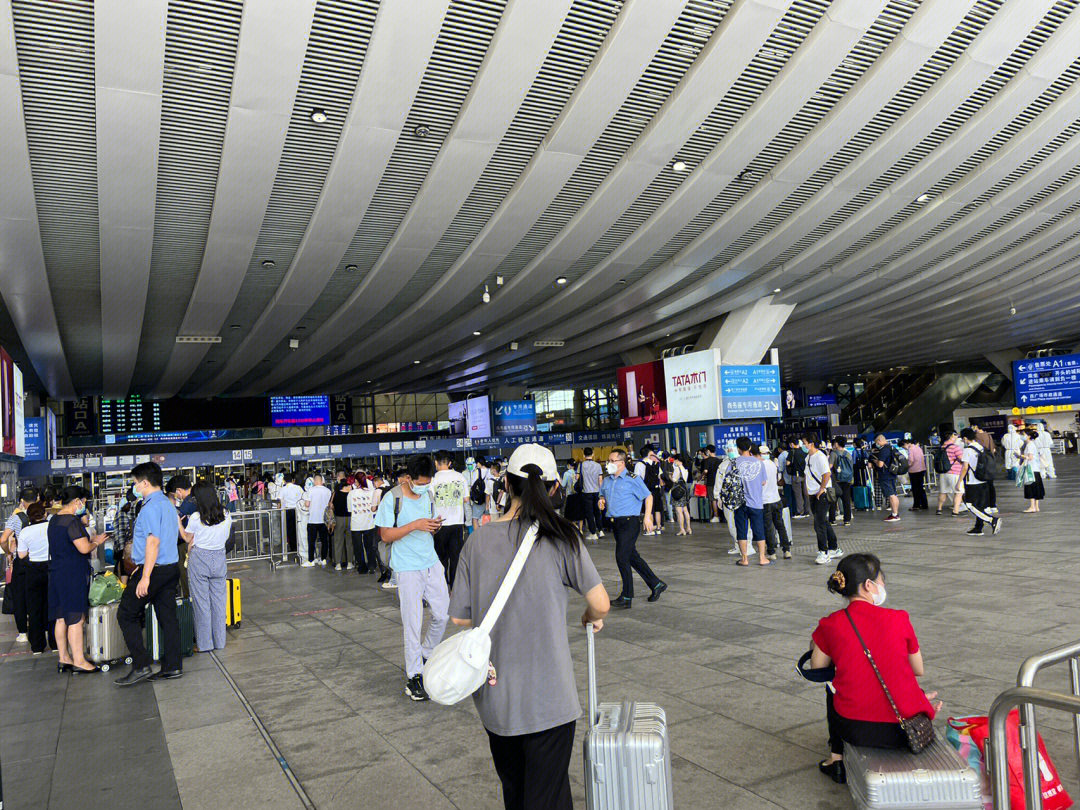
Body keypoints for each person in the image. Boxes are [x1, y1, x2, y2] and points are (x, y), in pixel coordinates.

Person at [449, 443, 609, 810]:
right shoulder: (563, 536)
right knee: (548, 795)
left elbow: (460, 618)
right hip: (551, 699)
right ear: (553, 487)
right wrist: (590, 617)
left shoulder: (477, 542)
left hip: (497, 699)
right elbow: (600, 602)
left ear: (505, 484)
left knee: (517, 793)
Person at [809, 553, 940, 784]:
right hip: (904, 731)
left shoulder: (831, 624)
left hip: (854, 729)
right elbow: (917, 669)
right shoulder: (899, 618)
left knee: (832, 687)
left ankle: (836, 759)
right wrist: (914, 699)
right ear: (868, 585)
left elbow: (818, 667)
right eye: (881, 580)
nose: (883, 585)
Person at [375, 455, 448, 701]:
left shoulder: (428, 495)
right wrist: (415, 525)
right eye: (421, 482)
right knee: (413, 622)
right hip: (406, 568)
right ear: (408, 478)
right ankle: (414, 676)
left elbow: (427, 523)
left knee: (442, 613)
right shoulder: (392, 498)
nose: (425, 486)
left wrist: (432, 525)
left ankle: (426, 653)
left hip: (431, 562)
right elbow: (385, 535)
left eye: (428, 482)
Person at [115, 462, 183, 686]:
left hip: (153, 570)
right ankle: (173, 666)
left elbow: (153, 542)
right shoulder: (167, 503)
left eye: (135, 483)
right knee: (167, 617)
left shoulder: (151, 507)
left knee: (126, 613)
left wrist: (144, 576)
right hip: (171, 567)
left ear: (144, 482)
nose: (135, 487)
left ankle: (141, 665)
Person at [49, 486, 108, 674]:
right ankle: (80, 660)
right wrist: (97, 541)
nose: (84, 505)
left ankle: (63, 658)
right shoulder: (71, 521)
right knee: (76, 617)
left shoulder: (54, 519)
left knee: (61, 618)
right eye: (83, 501)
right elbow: (83, 548)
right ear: (76, 502)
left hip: (56, 572)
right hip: (72, 573)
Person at [598, 449, 665, 609]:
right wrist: (601, 501)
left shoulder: (632, 479)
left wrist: (647, 517)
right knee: (632, 557)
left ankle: (627, 596)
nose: (609, 464)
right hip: (615, 523)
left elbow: (648, 496)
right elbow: (602, 495)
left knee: (622, 557)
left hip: (630, 523)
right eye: (609, 461)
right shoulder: (607, 480)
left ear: (621, 463)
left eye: (612, 461)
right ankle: (656, 584)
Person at [177, 483, 232, 653]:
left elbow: (187, 538)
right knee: (218, 602)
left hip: (200, 559)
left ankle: (205, 644)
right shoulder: (226, 514)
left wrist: (178, 523)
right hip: (219, 558)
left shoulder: (195, 517)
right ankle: (220, 641)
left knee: (202, 604)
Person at [17, 502, 56, 655]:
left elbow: (21, 555)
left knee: (34, 609)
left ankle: (37, 646)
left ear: (29, 517)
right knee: (52, 606)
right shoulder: (51, 527)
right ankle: (55, 643)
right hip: (51, 568)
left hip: (33, 571)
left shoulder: (25, 532)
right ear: (44, 514)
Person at [2, 486, 38, 642]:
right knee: (38, 595)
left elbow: (3, 539)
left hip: (22, 562)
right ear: (37, 499)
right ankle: (41, 628)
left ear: (22, 501)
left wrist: (9, 553)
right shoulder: (43, 516)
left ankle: (23, 632)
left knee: (20, 597)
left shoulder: (16, 518)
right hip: (40, 560)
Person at [431, 450, 469, 590]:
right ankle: (454, 587)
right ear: (450, 462)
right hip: (457, 523)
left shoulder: (433, 480)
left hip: (440, 524)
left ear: (436, 462)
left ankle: (441, 587)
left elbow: (430, 500)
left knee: (441, 558)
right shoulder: (460, 477)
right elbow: (466, 499)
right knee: (455, 558)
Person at [732, 436, 769, 567]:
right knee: (759, 529)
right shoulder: (759, 463)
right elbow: (764, 482)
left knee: (741, 530)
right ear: (749, 447)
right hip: (756, 502)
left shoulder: (733, 463)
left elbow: (728, 481)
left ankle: (744, 559)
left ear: (738, 449)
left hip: (739, 502)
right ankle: (762, 558)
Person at [804, 433, 840, 565]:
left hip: (822, 494)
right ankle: (834, 548)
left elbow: (827, 474)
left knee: (818, 524)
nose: (804, 445)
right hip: (813, 494)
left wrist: (822, 489)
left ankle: (823, 552)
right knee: (823, 521)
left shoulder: (820, 456)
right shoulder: (808, 457)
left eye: (805, 442)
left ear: (811, 443)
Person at [958, 427, 1001, 537]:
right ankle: (978, 528)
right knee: (980, 505)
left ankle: (992, 520)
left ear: (965, 438)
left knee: (970, 504)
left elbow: (965, 467)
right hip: (983, 479)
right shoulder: (980, 446)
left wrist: (959, 482)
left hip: (972, 481)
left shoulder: (967, 450)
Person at [758, 445, 790, 560]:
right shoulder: (772, 464)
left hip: (765, 500)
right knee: (780, 525)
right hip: (776, 499)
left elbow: (761, 483)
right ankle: (786, 550)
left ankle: (771, 552)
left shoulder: (759, 465)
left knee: (769, 527)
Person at [166, 476, 195, 597]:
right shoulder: (196, 498)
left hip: (186, 542)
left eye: (174, 495)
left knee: (184, 571)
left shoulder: (187, 504)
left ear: (179, 490)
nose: (176, 498)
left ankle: (189, 598)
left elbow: (180, 526)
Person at [347, 474, 381, 574]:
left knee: (358, 546)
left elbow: (349, 509)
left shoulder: (351, 493)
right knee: (369, 546)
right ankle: (372, 565)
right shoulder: (371, 492)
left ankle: (361, 567)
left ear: (356, 481)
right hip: (369, 523)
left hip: (356, 524)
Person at [301, 474, 333, 568]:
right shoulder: (328, 491)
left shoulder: (310, 491)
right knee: (324, 540)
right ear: (322, 481)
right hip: (324, 519)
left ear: (315, 481)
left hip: (313, 519)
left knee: (311, 541)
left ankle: (311, 560)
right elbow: (329, 504)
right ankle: (323, 559)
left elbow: (307, 504)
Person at [870, 436, 901, 522]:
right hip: (892, 473)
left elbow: (880, 464)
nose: (877, 445)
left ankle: (895, 515)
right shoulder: (891, 447)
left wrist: (875, 461)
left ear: (880, 441)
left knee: (891, 495)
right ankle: (895, 513)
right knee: (894, 494)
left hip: (885, 475)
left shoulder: (884, 450)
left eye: (877, 442)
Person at [936, 430, 965, 516]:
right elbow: (962, 459)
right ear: (952, 435)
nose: (957, 437)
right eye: (956, 435)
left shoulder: (942, 446)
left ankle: (939, 509)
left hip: (943, 472)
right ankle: (955, 511)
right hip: (954, 472)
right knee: (959, 492)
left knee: (943, 491)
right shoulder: (955, 447)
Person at [639, 447, 665, 536]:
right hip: (656, 489)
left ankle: (650, 529)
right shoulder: (656, 464)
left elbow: (638, 478)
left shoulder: (640, 464)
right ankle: (658, 527)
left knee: (649, 509)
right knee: (657, 509)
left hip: (647, 489)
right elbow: (660, 477)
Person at [578, 448, 604, 541]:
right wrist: (601, 493)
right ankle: (600, 531)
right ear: (593, 454)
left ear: (584, 455)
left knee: (589, 514)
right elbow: (600, 480)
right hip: (597, 492)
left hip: (586, 492)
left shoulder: (581, 465)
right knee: (597, 512)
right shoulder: (598, 465)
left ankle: (593, 533)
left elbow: (577, 477)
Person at [278, 473, 305, 559]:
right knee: (298, 528)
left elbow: (280, 500)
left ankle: (292, 546)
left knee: (289, 529)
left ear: (284, 481)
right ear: (293, 480)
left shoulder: (283, 489)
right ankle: (299, 545)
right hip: (297, 510)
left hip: (287, 510)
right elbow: (303, 497)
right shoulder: (298, 488)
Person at [972, 426, 998, 514]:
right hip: (990, 461)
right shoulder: (988, 436)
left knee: (983, 485)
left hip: (981, 462)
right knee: (991, 485)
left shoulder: (975, 436)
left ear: (975, 426)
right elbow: (993, 449)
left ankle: (986, 505)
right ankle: (993, 505)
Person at [829, 438, 854, 526]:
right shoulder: (848, 454)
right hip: (847, 480)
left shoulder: (833, 453)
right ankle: (847, 520)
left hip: (836, 480)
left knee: (833, 499)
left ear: (836, 444)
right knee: (846, 500)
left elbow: (829, 467)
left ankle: (832, 520)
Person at [1020, 428, 1045, 513]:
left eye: (1024, 435)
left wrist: (1020, 456)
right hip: (1036, 469)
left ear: (1028, 436)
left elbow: (1030, 457)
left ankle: (1032, 507)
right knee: (1036, 488)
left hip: (1030, 469)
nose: (1022, 436)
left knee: (1030, 488)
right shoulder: (1033, 444)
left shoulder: (1029, 445)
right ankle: (1036, 507)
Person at [331, 477, 353, 571]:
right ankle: (349, 563)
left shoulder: (335, 494)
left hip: (338, 519)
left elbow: (331, 506)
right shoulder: (351, 495)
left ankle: (338, 564)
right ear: (346, 486)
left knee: (338, 541)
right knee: (349, 542)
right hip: (350, 519)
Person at [901, 439, 927, 512]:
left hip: (914, 471)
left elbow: (911, 460)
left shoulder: (911, 449)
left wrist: (906, 466)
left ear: (905, 443)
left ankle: (916, 505)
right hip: (922, 469)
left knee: (915, 489)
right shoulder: (918, 447)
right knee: (921, 488)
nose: (904, 448)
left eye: (903, 447)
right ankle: (924, 504)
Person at [785, 438, 809, 517]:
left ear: (792, 444)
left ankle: (800, 511)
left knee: (798, 494)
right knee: (805, 493)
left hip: (796, 475)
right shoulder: (804, 451)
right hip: (805, 474)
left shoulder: (792, 452)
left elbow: (788, 463)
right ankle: (807, 511)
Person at [669, 454, 692, 536]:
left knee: (679, 511)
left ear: (678, 460)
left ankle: (682, 529)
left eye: (675, 460)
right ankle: (688, 528)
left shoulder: (677, 469)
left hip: (677, 491)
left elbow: (675, 480)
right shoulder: (685, 469)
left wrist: (670, 476)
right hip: (684, 490)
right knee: (685, 510)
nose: (674, 461)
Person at [700, 445, 721, 522]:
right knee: (718, 498)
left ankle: (716, 516)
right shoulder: (719, 460)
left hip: (711, 482)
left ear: (708, 451)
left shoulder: (707, 460)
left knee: (713, 499)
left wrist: (700, 477)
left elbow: (705, 471)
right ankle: (721, 515)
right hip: (718, 481)